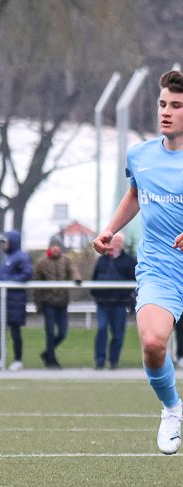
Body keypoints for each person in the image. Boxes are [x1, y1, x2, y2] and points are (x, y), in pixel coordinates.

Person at [92, 69, 183, 455]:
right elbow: (135, 192)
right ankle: (172, 409)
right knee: (152, 343)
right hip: (160, 268)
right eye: (163, 104)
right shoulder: (140, 155)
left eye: (176, 106)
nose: (166, 112)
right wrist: (110, 229)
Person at [32, 237, 81, 369]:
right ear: (49, 247)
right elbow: (36, 284)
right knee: (49, 332)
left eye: (58, 246)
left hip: (62, 302)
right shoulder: (41, 262)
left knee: (63, 333)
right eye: (53, 246)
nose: (56, 248)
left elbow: (74, 271)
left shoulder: (66, 261)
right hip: (48, 303)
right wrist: (38, 303)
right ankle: (51, 360)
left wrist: (77, 279)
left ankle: (47, 353)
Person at [91, 233, 136, 369]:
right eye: (114, 241)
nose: (116, 244)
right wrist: (96, 294)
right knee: (102, 329)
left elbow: (135, 281)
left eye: (118, 241)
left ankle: (113, 361)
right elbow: (94, 279)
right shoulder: (102, 260)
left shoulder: (129, 261)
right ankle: (100, 360)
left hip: (120, 303)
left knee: (118, 334)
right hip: (103, 303)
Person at [0, 231, 32, 370]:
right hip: (1, 301)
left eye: (5, 242)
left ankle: (18, 359)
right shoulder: (5, 258)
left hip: (14, 301)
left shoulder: (22, 257)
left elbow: (27, 274)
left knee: (15, 331)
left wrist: (8, 282)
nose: (3, 245)